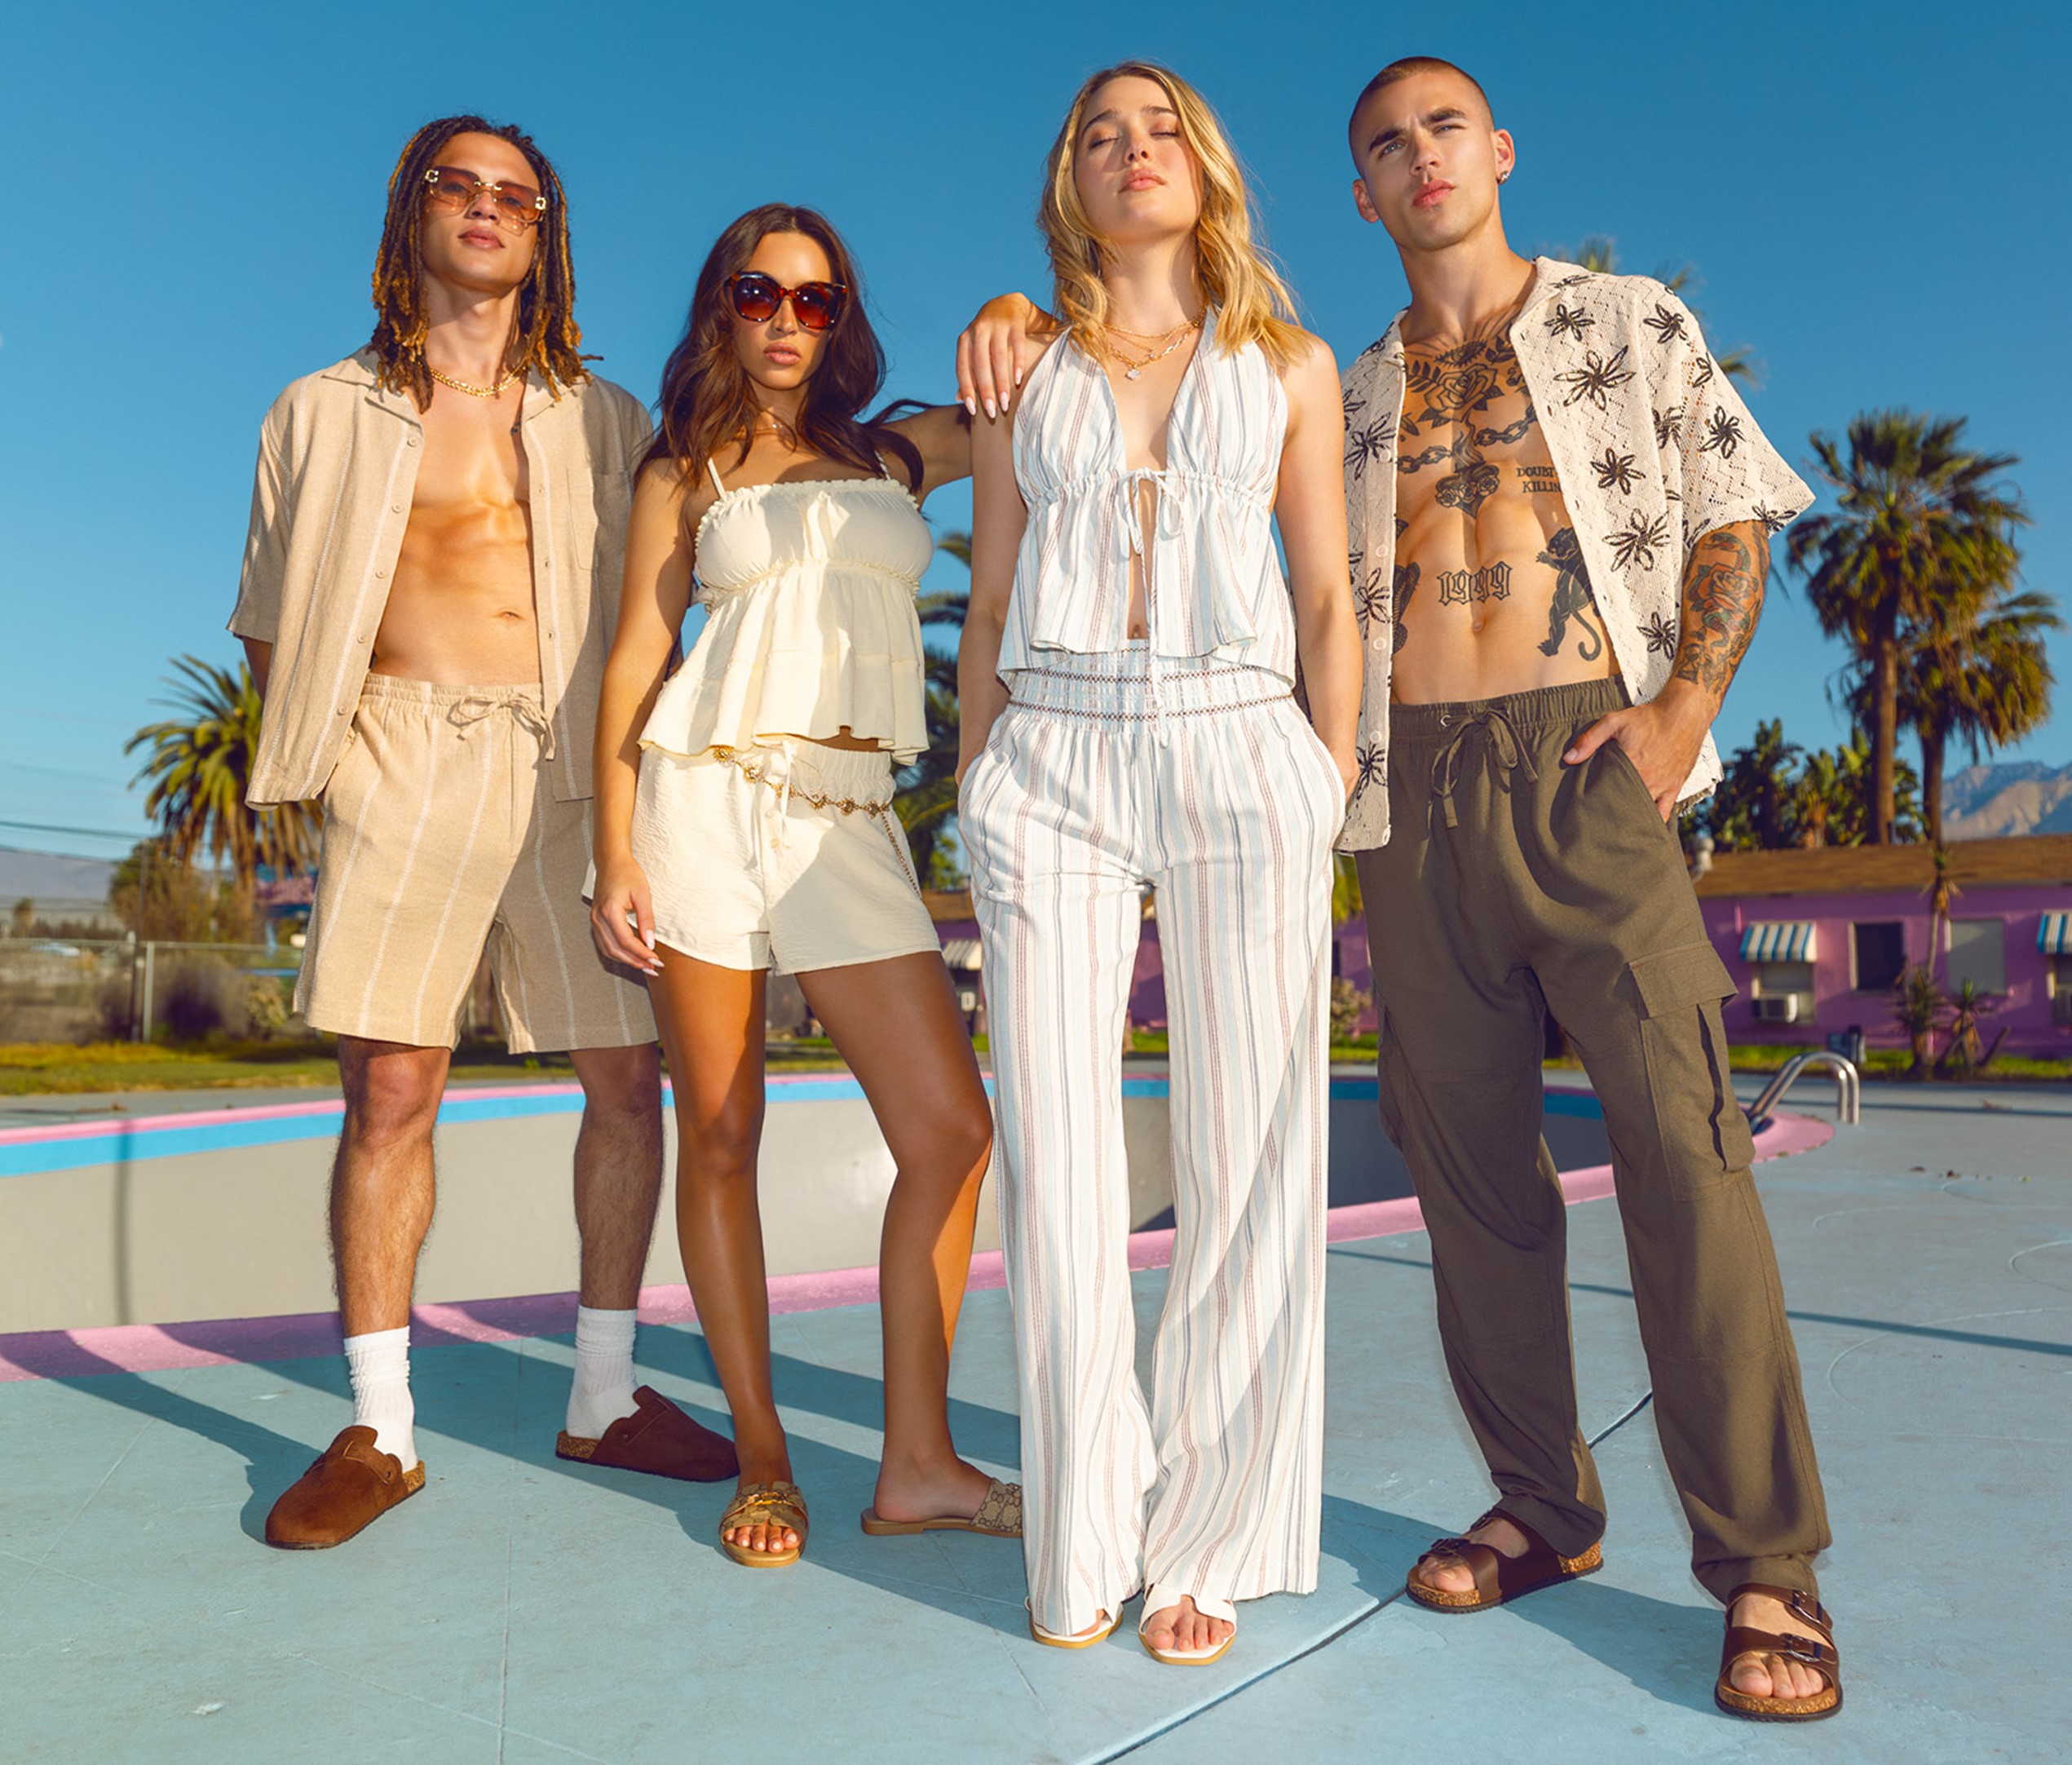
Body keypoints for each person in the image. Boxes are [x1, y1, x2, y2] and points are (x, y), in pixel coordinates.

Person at [1336, 57, 1840, 1721]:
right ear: (1360, 193)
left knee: (1685, 1159)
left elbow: (1728, 509)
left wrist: (1684, 705)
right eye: (1384, 143)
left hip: (1585, 756)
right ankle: (1542, 1509)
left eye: (1442, 127)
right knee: (1470, 1181)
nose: (1418, 156)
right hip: (1406, 794)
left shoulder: (1622, 322)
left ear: (1495, 150)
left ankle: (1762, 1561)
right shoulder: (1342, 397)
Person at [236, 115, 736, 1551]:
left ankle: (602, 1396)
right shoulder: (318, 409)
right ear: (411, 213)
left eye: (515, 195)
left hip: (575, 766)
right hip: (402, 751)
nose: (485, 207)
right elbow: (270, 620)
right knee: (391, 1090)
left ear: (545, 233)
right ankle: (381, 1430)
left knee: (626, 1079)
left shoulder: (607, 418)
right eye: (455, 185)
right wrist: (343, 764)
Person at [957, 63, 1360, 1664]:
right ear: (1070, 180)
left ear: (1206, 169)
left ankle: (1206, 1535)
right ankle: (1083, 1534)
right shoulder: (1020, 365)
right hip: (1050, 747)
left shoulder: (1289, 363)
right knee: (1053, 1160)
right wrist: (980, 778)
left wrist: (1328, 775)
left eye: (1160, 128)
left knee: (1250, 1155)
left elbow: (1324, 593)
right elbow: (990, 597)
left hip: (1239, 742)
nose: (1132, 150)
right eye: (1098, 135)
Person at [589, 205, 1018, 1570]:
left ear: (841, 319)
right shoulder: (683, 470)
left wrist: (1015, 306)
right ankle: (764, 1458)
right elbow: (635, 656)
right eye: (759, 292)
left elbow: (1037, 383)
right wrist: (614, 852)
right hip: (701, 801)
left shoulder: (893, 452)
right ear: (721, 304)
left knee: (950, 1128)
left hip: (848, 817)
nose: (786, 318)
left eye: (815, 299)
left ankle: (917, 1464)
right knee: (720, 1134)